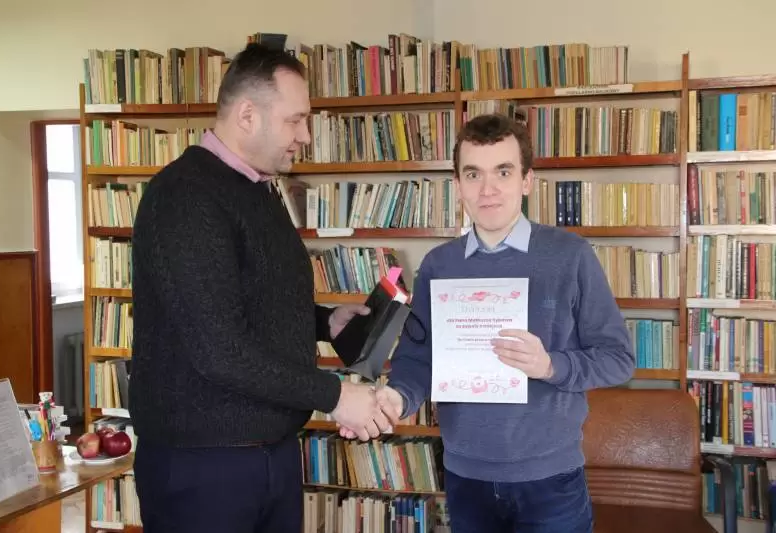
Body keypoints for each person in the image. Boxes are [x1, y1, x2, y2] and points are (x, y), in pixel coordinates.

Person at [128, 43, 396, 533]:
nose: (305, 136)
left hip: (267, 453)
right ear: (247, 115)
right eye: (296, 120)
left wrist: (325, 321)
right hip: (205, 467)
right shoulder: (185, 196)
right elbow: (217, 349)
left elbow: (250, 299)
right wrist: (334, 395)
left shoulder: (258, 189)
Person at [352, 113, 635, 532]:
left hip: (551, 479)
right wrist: (398, 397)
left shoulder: (570, 255)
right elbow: (418, 359)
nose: (488, 189)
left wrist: (550, 365)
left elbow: (618, 359)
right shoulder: (438, 265)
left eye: (503, 171)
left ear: (527, 180)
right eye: (473, 174)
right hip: (466, 477)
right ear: (458, 185)